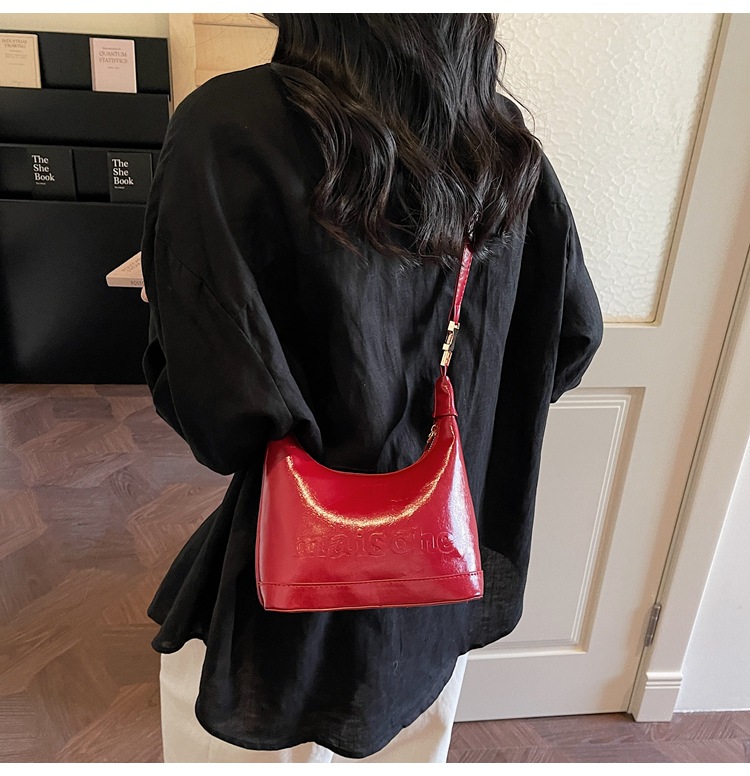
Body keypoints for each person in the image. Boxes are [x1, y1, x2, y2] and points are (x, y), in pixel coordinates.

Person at [139, 13, 604, 763]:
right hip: (433, 591)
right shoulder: (501, 142)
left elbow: (218, 418)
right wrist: (438, 421)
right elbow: (572, 338)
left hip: (283, 607)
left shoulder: (226, 129)